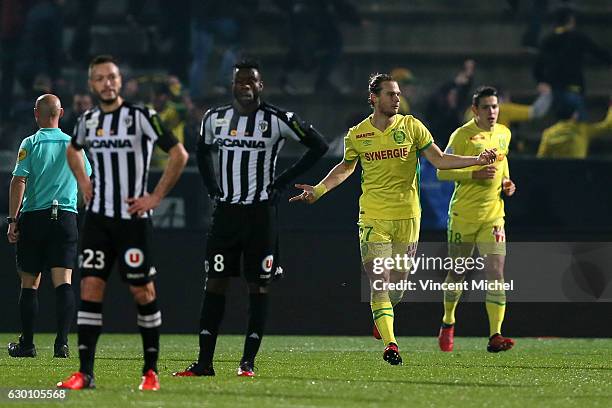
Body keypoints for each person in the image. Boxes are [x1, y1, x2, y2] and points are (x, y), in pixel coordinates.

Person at [289, 74, 497, 365]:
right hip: (373, 217)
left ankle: (381, 316)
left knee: (397, 286)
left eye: (398, 94)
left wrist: (477, 160)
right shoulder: (357, 134)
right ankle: (391, 344)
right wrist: (320, 189)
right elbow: (346, 167)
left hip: (408, 217)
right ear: (374, 98)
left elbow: (439, 159)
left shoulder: (412, 126)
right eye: (390, 94)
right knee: (379, 282)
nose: (397, 98)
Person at [173, 59, 328, 377]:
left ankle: (248, 362)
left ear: (261, 85)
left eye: (250, 81)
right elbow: (202, 151)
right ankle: (205, 363)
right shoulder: (214, 118)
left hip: (260, 216)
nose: (244, 85)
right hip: (226, 215)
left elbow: (319, 145)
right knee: (214, 283)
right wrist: (212, 188)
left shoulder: (277, 119)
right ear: (232, 86)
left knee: (258, 286)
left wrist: (283, 182)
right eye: (239, 81)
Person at [56, 55, 188, 391]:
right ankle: (85, 373)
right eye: (99, 78)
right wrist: (83, 182)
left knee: (143, 291)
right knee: (90, 289)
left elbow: (179, 154)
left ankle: (150, 371)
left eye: (111, 77)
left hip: (133, 221)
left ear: (120, 80)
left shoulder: (142, 116)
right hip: (98, 219)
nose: (106, 83)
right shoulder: (87, 121)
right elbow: (73, 151)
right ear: (92, 84)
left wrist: (155, 197)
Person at [7, 94, 91, 359]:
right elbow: (86, 181)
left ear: (36, 114)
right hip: (65, 217)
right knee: (63, 282)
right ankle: (62, 345)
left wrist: (12, 220)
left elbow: (19, 180)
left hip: (34, 217)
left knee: (30, 283)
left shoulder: (30, 143)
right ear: (61, 113)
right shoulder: (74, 146)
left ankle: (28, 345)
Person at [436, 86, 517, 353]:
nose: (492, 112)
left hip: (493, 216)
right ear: (475, 110)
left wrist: (506, 182)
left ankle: (496, 334)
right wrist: (473, 175)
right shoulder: (462, 135)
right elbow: (441, 171)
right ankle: (448, 321)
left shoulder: (504, 133)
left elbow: (503, 165)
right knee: (457, 273)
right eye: (486, 107)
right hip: (463, 216)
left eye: (495, 106)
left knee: (495, 272)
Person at [534, 6, 611, 121]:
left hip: (554, 88)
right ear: (571, 20)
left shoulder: (547, 40)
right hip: (574, 87)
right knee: (579, 124)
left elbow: (537, 66)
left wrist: (541, 81)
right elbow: (599, 53)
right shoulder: (577, 38)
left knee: (562, 122)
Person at [537, 99, 612, 159]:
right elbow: (607, 126)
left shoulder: (548, 133)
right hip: (577, 174)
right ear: (574, 115)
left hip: (557, 175)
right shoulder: (582, 130)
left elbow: (541, 159)